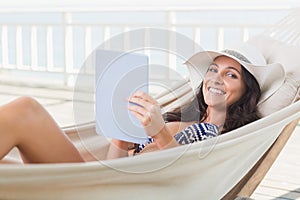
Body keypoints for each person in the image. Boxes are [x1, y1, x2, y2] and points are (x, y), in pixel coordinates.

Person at [0, 43, 282, 163]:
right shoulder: (186, 119)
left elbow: (187, 178)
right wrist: (120, 139)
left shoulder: (220, 137)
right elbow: (122, 170)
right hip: (106, 183)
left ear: (246, 91)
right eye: (212, 70)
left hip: (107, 193)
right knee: (25, 112)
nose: (216, 79)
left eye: (230, 75)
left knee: (26, 111)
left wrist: (160, 132)